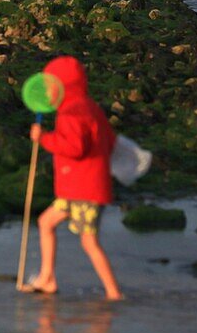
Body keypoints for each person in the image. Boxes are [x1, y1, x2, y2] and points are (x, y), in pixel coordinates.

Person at [20, 55, 122, 300]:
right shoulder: (90, 107)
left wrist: (43, 138)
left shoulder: (71, 113)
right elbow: (110, 141)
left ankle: (113, 292)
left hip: (84, 190)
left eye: (49, 85)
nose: (46, 90)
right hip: (78, 188)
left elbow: (75, 148)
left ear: (61, 86)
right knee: (46, 223)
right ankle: (47, 278)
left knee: (89, 242)